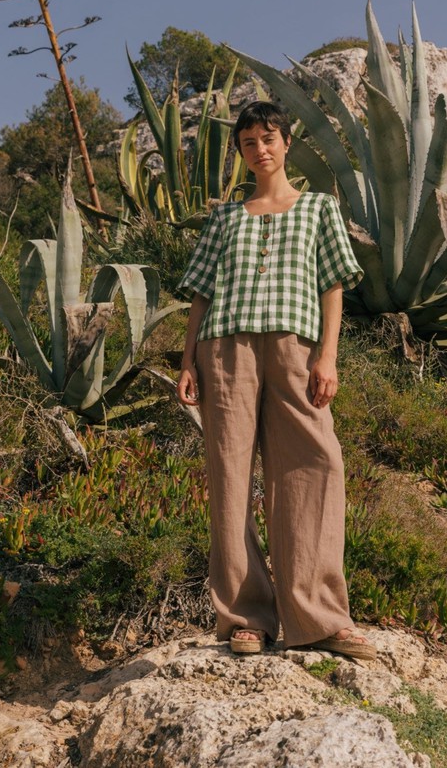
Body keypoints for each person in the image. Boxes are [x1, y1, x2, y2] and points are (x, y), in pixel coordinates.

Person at [176, 100, 376, 660]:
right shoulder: (225, 217)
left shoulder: (318, 209)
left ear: (286, 143)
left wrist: (328, 356)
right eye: (248, 143)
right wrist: (188, 359)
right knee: (230, 477)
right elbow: (202, 292)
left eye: (268, 139)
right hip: (226, 346)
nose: (259, 150)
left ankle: (319, 617)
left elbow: (334, 284)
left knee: (314, 465)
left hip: (296, 347)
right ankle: (247, 617)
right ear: (241, 154)